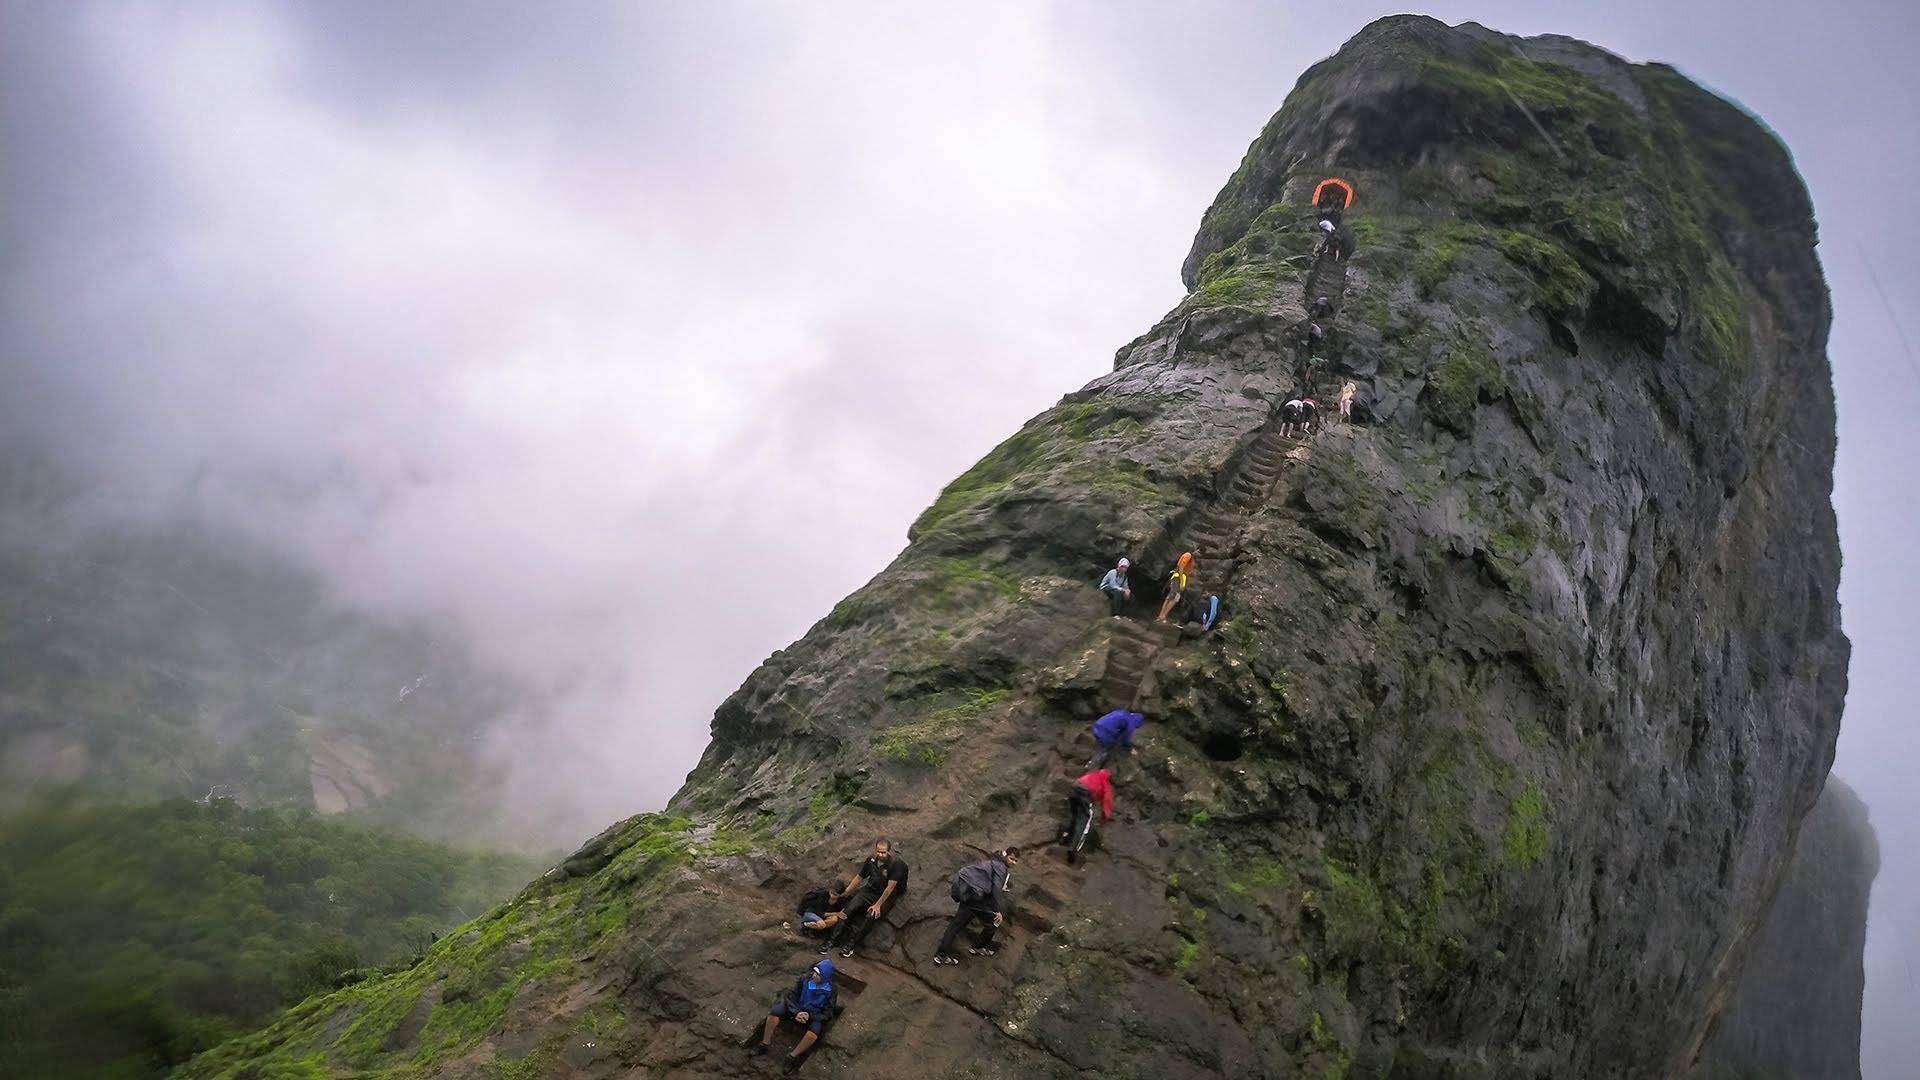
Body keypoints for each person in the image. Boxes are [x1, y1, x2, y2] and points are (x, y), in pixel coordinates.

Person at [933, 848, 1019, 965]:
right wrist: (997, 910)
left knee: (956, 925)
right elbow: (995, 890)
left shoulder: (992, 861)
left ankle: (940, 955)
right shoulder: (1000, 867)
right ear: (1006, 855)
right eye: (1011, 859)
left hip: (968, 892)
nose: (1013, 862)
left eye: (1016, 861)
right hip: (975, 896)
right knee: (995, 921)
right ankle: (977, 947)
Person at [825, 838, 908, 958]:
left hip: (887, 895)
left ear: (889, 851)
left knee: (871, 916)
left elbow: (890, 888)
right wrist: (846, 892)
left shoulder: (896, 864)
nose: (880, 854)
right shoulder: (871, 860)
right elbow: (859, 877)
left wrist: (878, 905)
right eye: (878, 851)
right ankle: (831, 940)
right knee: (848, 909)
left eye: (883, 852)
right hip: (870, 889)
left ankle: (851, 945)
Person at [751, 959, 838, 1068]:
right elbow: (791, 995)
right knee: (776, 1010)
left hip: (812, 1015)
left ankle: (792, 1056)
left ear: (824, 977)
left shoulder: (831, 990)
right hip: (797, 1008)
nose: (814, 975)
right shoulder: (805, 978)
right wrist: (797, 1012)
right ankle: (764, 1043)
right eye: (814, 972)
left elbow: (828, 1013)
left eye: (818, 974)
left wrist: (809, 1016)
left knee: (815, 1031)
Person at [1060, 768, 1114, 864]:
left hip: (1075, 788)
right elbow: (1107, 801)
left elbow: (1080, 780)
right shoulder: (1105, 783)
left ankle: (1064, 838)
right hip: (1085, 793)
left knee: (1074, 815)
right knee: (1084, 822)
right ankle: (1073, 849)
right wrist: (1104, 818)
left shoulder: (1093, 774)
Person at [1156, 552, 1195, 622]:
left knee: (1176, 597)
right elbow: (1181, 567)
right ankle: (1162, 615)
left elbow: (1186, 571)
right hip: (1178, 578)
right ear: (1197, 550)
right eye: (1199, 552)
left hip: (1182, 578)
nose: (1199, 554)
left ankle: (1163, 615)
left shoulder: (1192, 559)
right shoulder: (1188, 555)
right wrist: (1181, 581)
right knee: (1172, 596)